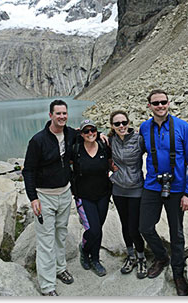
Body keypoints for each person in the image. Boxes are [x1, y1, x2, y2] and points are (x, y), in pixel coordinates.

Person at [139, 89, 188, 296]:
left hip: (177, 188)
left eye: (163, 102)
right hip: (152, 186)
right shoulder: (144, 128)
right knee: (145, 227)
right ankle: (161, 256)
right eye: (155, 103)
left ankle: (178, 273)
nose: (160, 106)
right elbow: (133, 148)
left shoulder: (183, 127)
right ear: (149, 106)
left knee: (177, 233)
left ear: (169, 102)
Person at [23, 99, 76, 296]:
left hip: (65, 193)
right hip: (45, 197)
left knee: (61, 234)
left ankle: (60, 268)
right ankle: (47, 286)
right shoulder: (38, 140)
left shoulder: (71, 134)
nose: (62, 116)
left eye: (64, 113)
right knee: (46, 240)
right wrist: (33, 197)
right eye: (58, 113)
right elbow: (28, 170)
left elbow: (88, 136)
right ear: (50, 115)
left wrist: (103, 136)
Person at [108, 110, 147, 279]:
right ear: (112, 126)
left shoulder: (138, 139)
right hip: (118, 189)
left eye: (124, 122)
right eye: (117, 124)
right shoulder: (110, 140)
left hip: (136, 188)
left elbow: (156, 153)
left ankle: (141, 257)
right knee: (124, 224)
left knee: (134, 226)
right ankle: (130, 256)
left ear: (129, 123)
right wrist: (109, 166)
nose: (121, 126)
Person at [71, 119, 111, 277]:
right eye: (86, 131)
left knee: (98, 230)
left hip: (103, 194)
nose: (90, 134)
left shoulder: (103, 146)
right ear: (81, 134)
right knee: (93, 229)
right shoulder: (75, 149)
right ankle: (85, 249)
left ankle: (95, 258)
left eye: (92, 130)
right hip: (84, 196)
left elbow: (111, 163)